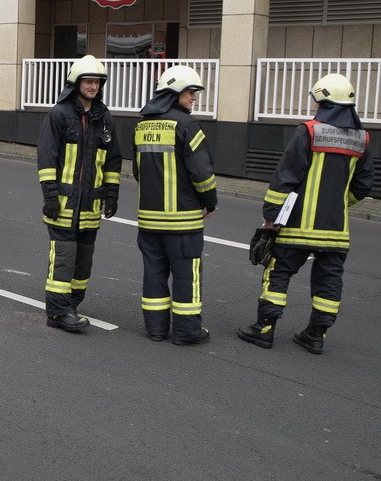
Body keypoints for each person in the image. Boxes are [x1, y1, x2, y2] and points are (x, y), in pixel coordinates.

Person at [237, 73, 374, 355]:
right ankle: (315, 335)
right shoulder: (362, 139)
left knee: (278, 273)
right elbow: (363, 185)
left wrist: (271, 217)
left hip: (296, 225)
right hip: (335, 231)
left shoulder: (308, 132)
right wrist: (338, 204)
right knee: (329, 280)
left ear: (323, 102)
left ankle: (264, 329)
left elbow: (285, 178)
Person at [36, 55, 122, 332]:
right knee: (64, 258)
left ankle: (72, 304)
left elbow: (113, 159)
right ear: (76, 83)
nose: (93, 86)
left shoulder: (104, 117)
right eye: (88, 81)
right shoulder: (59, 114)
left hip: (90, 206)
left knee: (83, 262)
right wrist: (49, 196)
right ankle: (58, 313)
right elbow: (47, 158)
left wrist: (111, 194)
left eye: (97, 82)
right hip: (62, 204)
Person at [133, 65, 217, 345]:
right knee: (186, 276)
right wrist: (210, 201)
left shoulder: (142, 125)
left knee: (154, 274)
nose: (194, 97)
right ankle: (187, 332)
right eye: (190, 91)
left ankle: (156, 330)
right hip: (183, 223)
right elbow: (202, 173)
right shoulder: (187, 125)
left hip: (149, 221)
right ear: (175, 92)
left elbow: (137, 171)